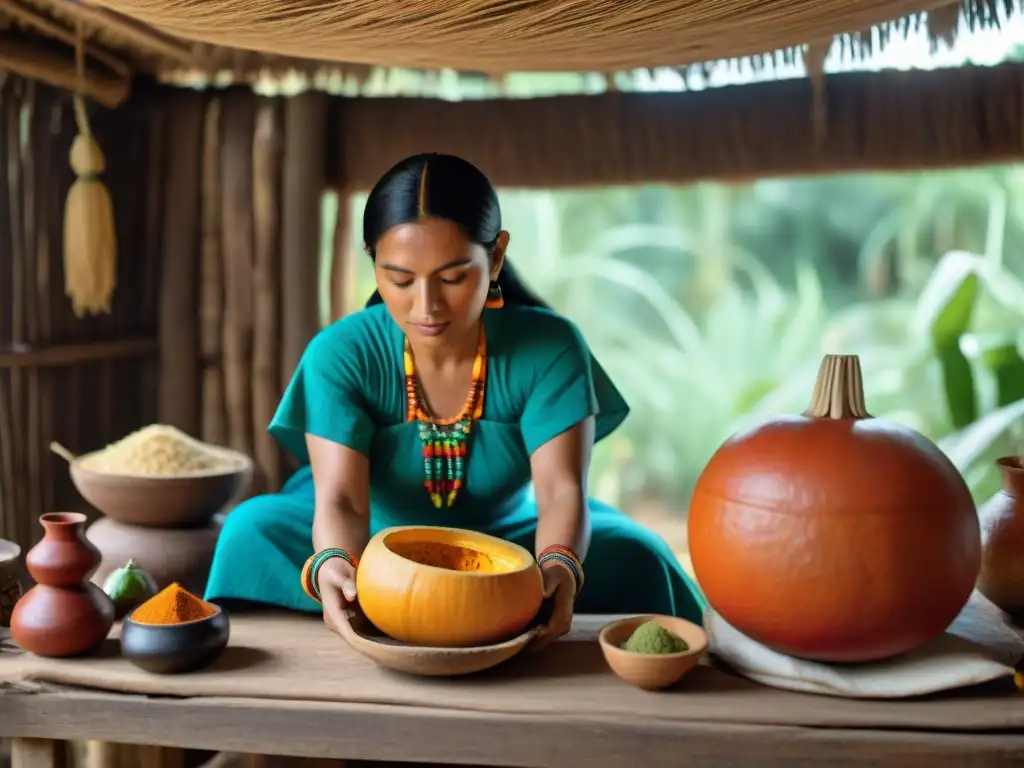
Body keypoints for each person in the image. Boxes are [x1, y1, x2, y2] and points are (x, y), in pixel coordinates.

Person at [204, 152, 706, 645]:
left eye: (452, 277)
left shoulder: (550, 349)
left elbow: (559, 493)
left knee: (638, 554)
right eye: (400, 279)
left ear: (497, 256)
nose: (426, 306)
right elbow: (342, 501)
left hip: (508, 539)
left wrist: (557, 566)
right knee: (250, 531)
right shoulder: (340, 353)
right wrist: (338, 563)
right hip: (373, 537)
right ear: (373, 263)